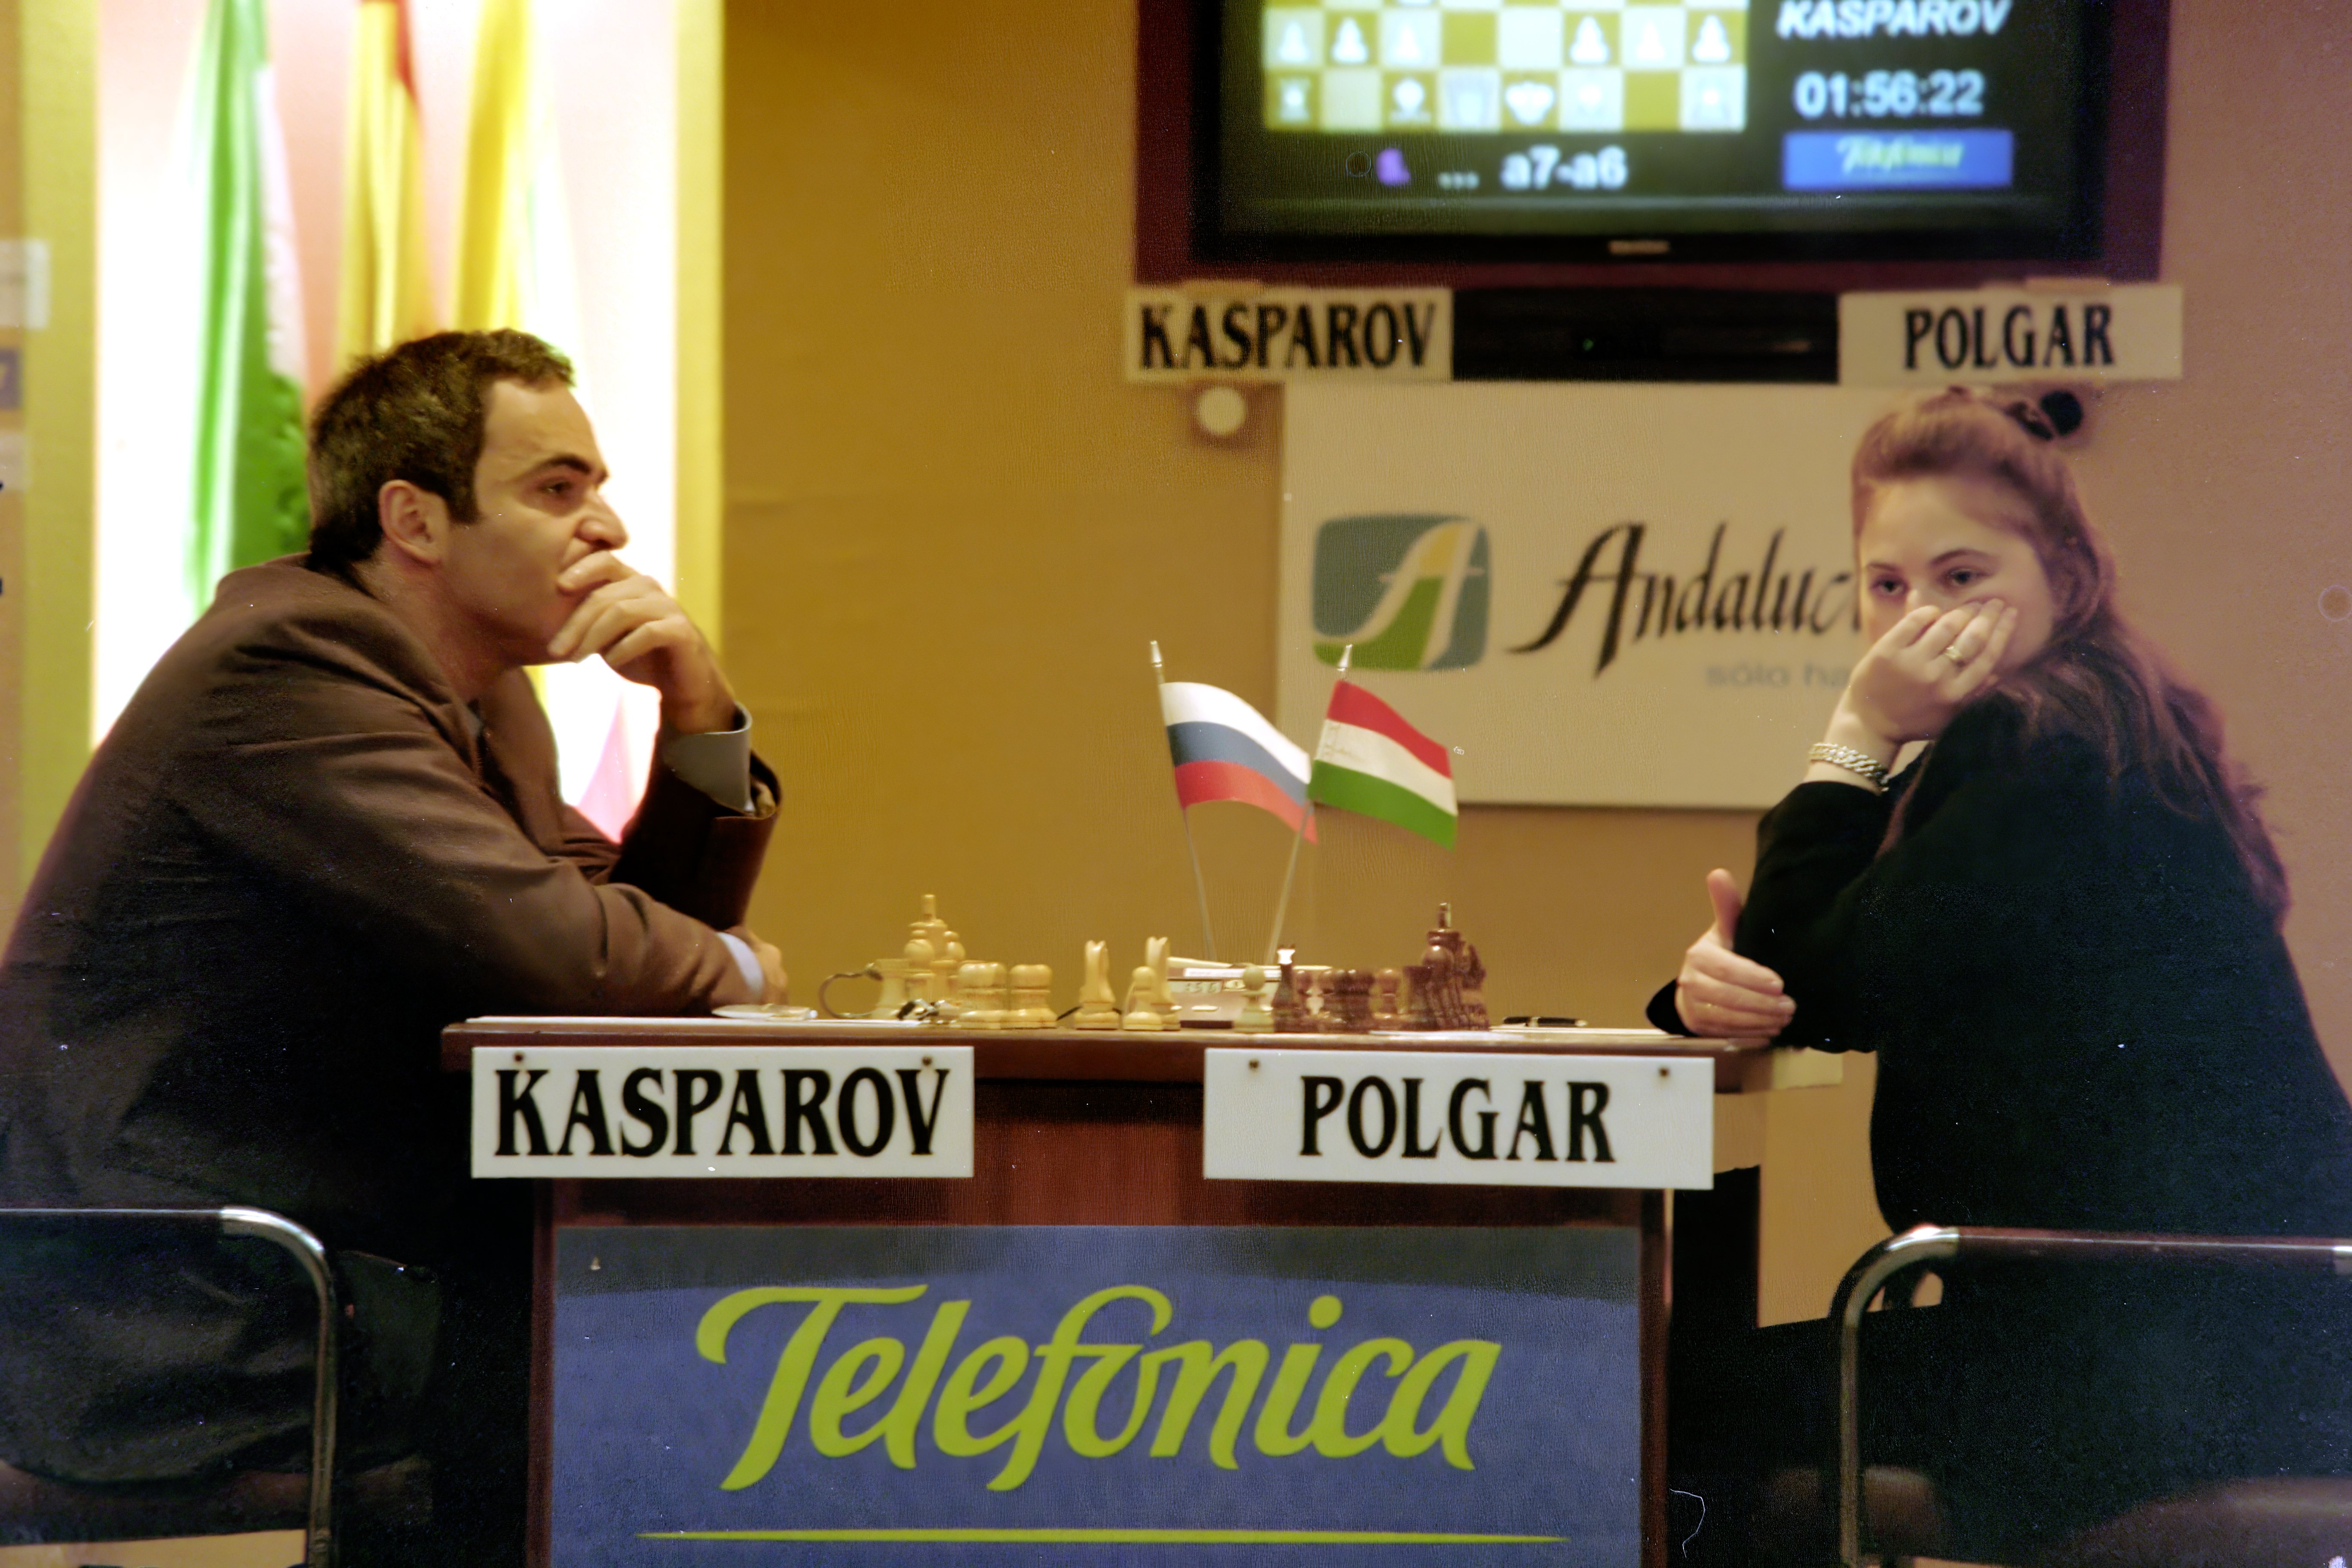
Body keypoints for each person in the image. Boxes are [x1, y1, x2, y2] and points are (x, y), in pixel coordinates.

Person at [0, 330, 785, 1562]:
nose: (611, 528)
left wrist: (699, 719)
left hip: (333, 1270)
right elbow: (566, 953)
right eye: (558, 489)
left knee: (654, 1348)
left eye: (598, 486)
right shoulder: (295, 668)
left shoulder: (478, 697)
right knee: (649, 1372)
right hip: (188, 1311)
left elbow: (609, 938)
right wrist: (738, 970)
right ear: (415, 519)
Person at [1651, 389, 2352, 1561]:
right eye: (1887, 584)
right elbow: (1826, 964)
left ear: (2065, 577)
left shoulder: (2042, 750)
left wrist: (1858, 729)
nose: (1919, 617)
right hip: (2225, 1343)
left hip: (2148, 1371)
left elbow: (1820, 977)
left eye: (1963, 576)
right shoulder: (2108, 720)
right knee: (1686, 1388)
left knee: (1645, 1396)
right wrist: (1703, 989)